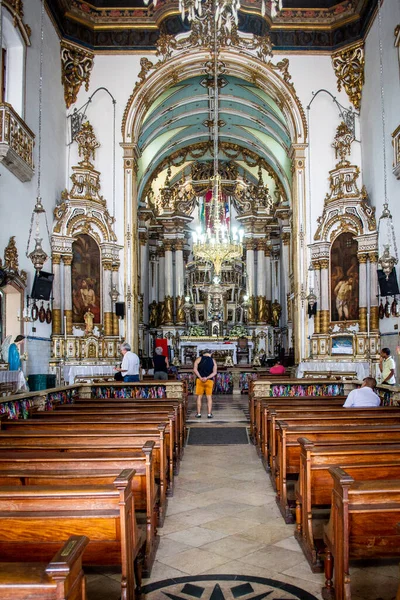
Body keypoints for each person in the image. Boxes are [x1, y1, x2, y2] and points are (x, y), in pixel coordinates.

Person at [193, 349, 217, 419]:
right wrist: (207, 377)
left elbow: (195, 369)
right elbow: (214, 372)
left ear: (203, 353)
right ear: (210, 353)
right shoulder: (213, 360)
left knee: (199, 397)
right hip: (209, 381)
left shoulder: (198, 359)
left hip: (199, 380)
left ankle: (199, 413)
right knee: (209, 397)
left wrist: (200, 377)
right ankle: (209, 414)